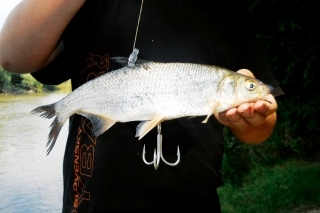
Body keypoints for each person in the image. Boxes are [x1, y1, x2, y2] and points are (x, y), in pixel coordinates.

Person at [0, 0, 284, 212]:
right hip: (92, 203)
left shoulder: (224, 10)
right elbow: (11, 57)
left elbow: (260, 129)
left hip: (195, 204)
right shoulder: (90, 8)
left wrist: (254, 120)